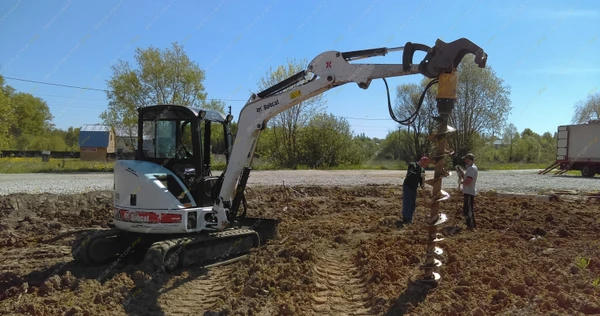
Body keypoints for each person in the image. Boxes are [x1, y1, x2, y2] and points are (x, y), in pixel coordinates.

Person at [401, 156, 430, 225]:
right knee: (407, 201)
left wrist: (423, 185)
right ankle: (405, 218)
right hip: (408, 185)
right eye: (425, 163)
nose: (426, 165)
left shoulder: (422, 170)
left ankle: (410, 218)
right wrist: (419, 174)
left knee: (412, 203)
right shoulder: (413, 165)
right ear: (422, 161)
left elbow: (421, 181)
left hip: (414, 187)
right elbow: (410, 174)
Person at [460, 153, 478, 229]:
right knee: (466, 209)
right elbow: (466, 178)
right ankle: (469, 224)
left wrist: (461, 182)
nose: (465, 161)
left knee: (469, 210)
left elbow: (468, 181)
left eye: (466, 159)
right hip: (468, 191)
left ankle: (471, 225)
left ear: (470, 160)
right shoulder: (471, 168)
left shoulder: (471, 169)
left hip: (469, 191)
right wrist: (461, 174)